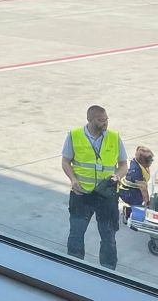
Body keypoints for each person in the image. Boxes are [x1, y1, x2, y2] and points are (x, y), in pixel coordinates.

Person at [61, 105, 127, 270]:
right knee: (76, 234)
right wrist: (73, 179)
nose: (105, 122)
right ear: (90, 120)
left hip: (106, 196)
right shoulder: (74, 135)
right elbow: (65, 162)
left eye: (106, 119)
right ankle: (74, 267)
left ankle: (108, 270)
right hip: (81, 194)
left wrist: (117, 176)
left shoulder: (114, 137)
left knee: (108, 237)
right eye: (101, 120)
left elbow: (123, 164)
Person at [119, 146, 153, 224]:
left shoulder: (141, 164)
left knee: (141, 198)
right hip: (126, 192)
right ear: (143, 161)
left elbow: (139, 148)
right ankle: (128, 212)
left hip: (133, 188)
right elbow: (143, 189)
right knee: (139, 200)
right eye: (150, 160)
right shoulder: (136, 171)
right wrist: (147, 204)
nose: (151, 161)